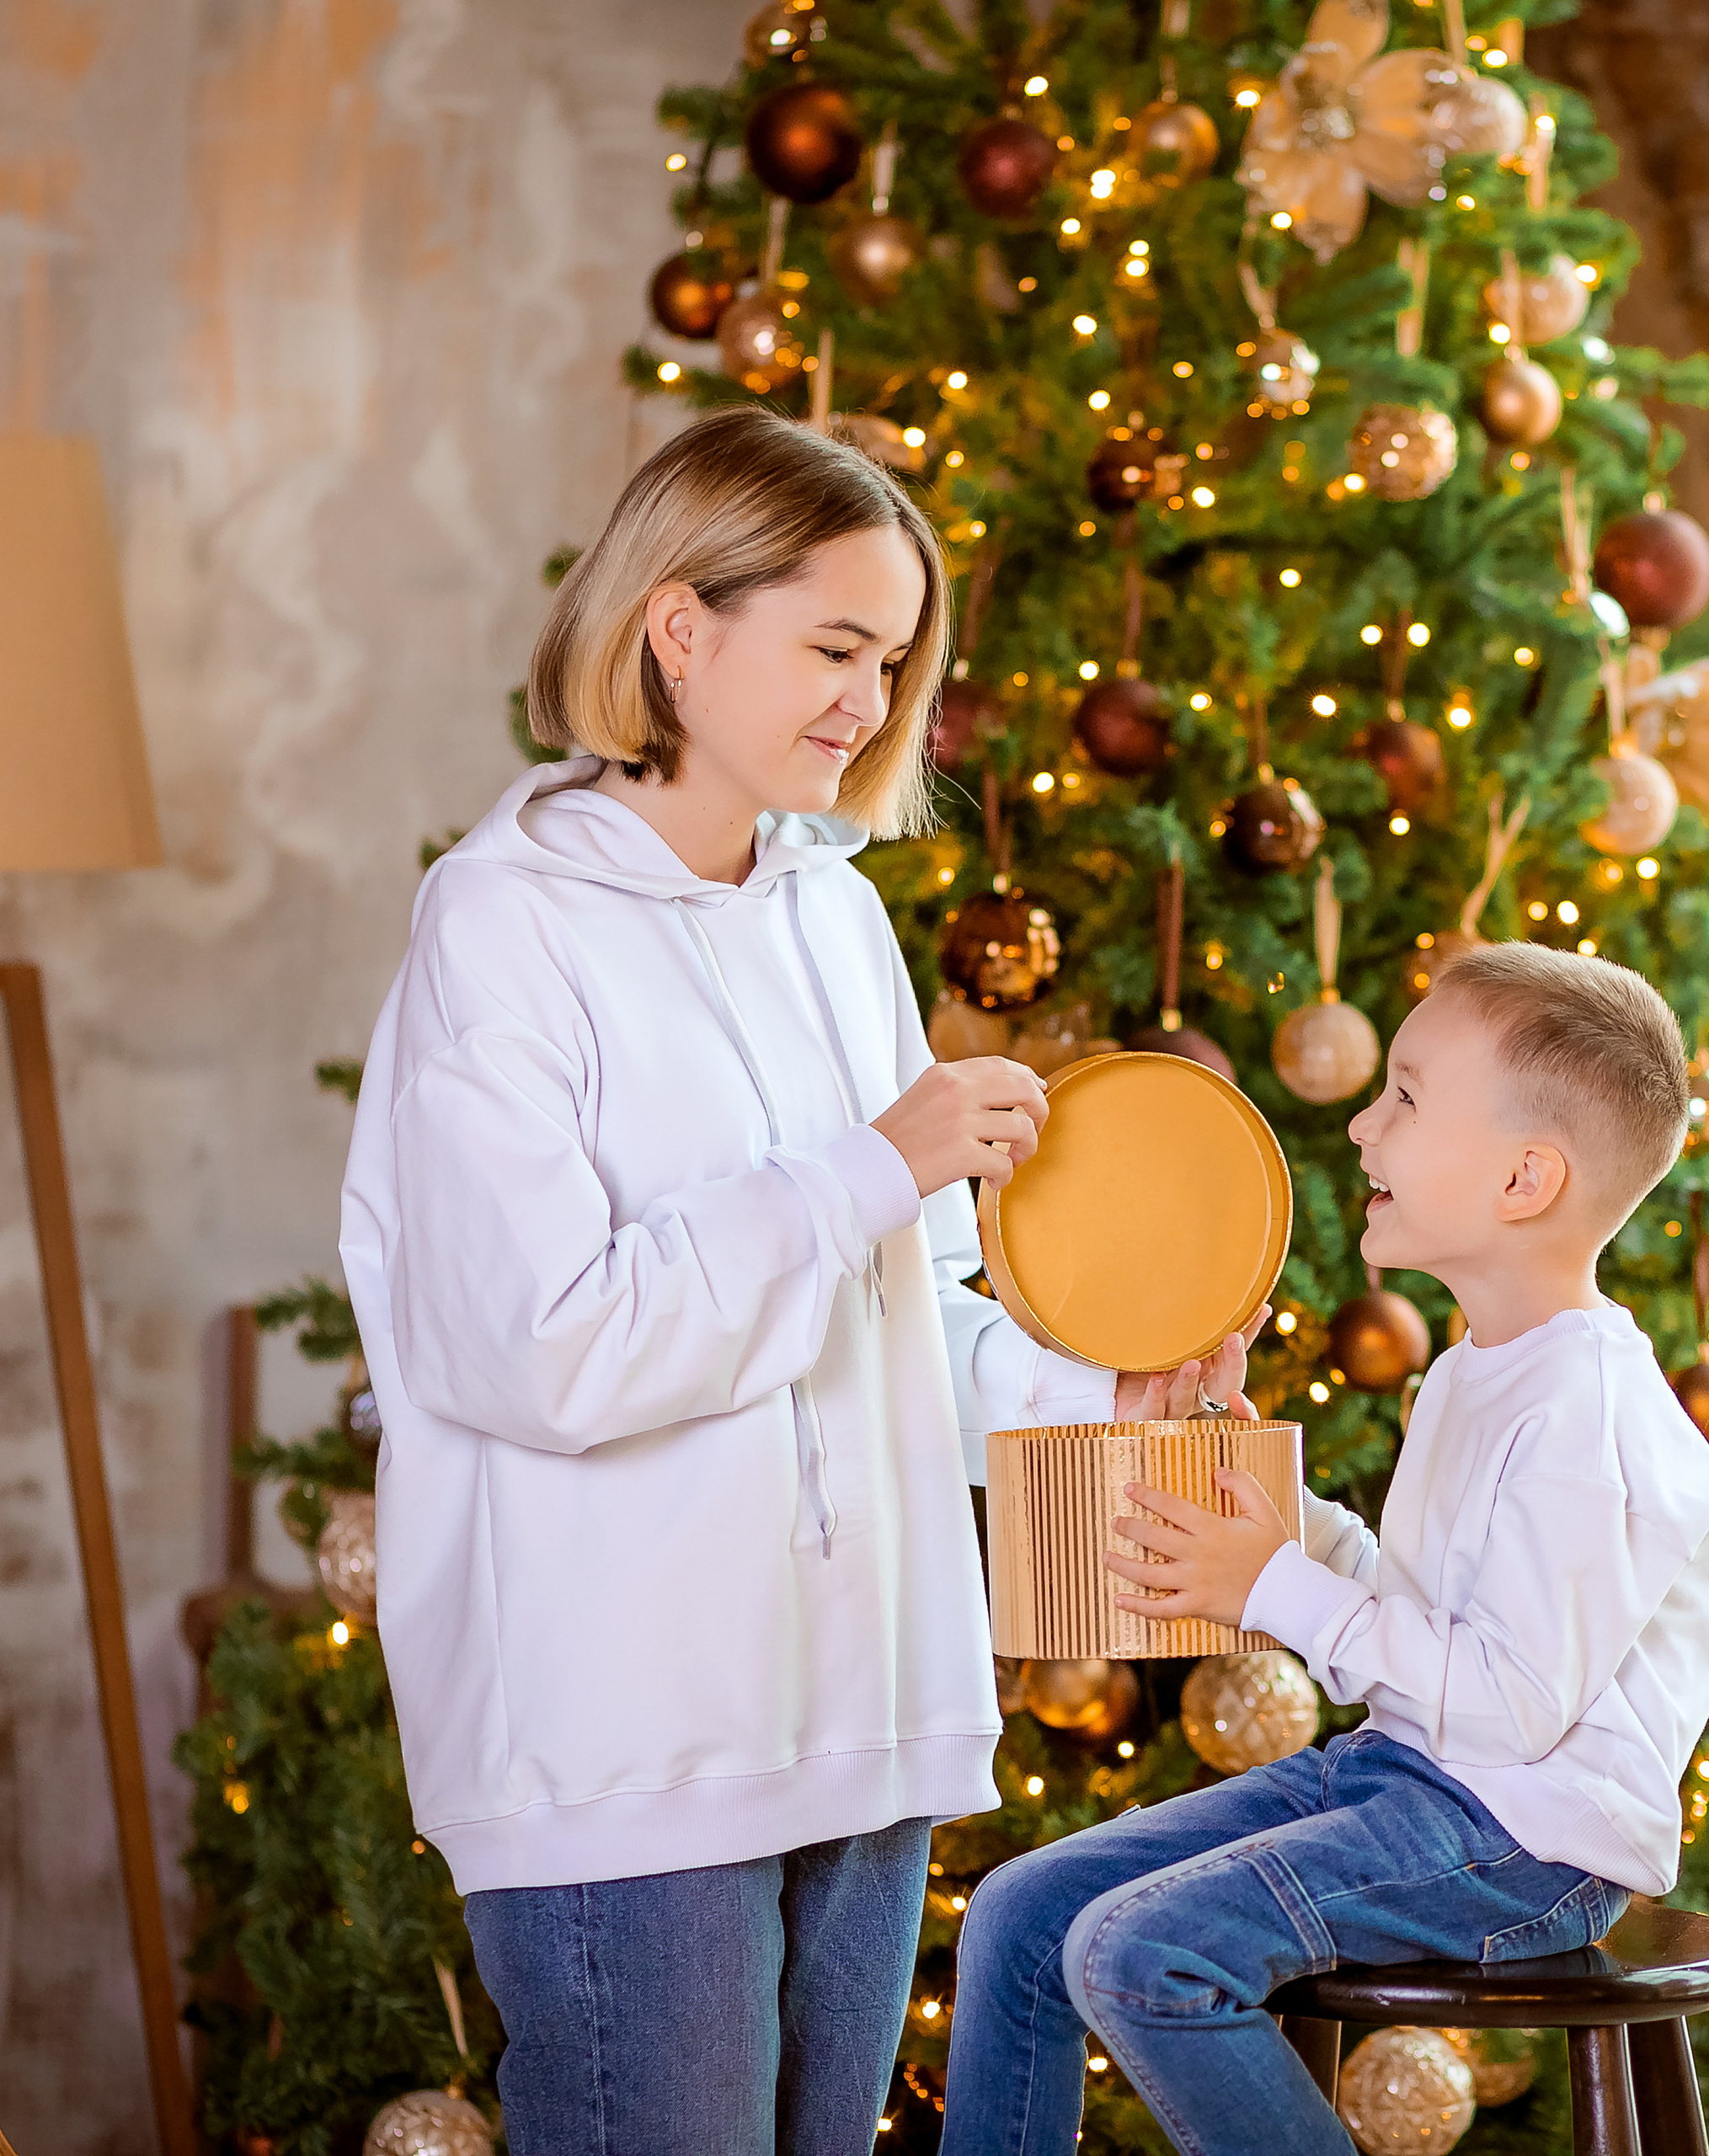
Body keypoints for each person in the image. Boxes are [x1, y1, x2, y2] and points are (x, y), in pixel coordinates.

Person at [337, 406, 1256, 2156]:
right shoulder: (502, 924)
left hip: (865, 1717)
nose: (866, 696)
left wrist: (1095, 1395)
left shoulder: (835, 916)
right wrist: (870, 1164)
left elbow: (911, 1313)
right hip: (623, 1741)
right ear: (679, 628)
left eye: (891, 656)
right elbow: (541, 1349)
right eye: (831, 645)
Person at [942, 942, 1709, 2156]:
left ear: (1527, 1178)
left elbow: (1512, 1702)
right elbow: (1424, 1615)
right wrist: (1271, 1506)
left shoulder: (1591, 1419)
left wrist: (1276, 1586)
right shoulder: (1481, 1367)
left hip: (1527, 1844)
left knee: (1135, 1954)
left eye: (1408, 1096)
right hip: (1411, 1778)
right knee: (1019, 1911)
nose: (1364, 1128)